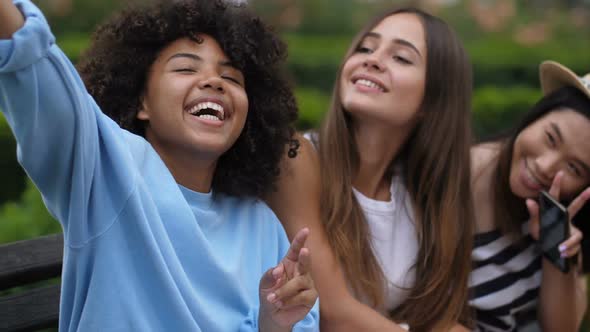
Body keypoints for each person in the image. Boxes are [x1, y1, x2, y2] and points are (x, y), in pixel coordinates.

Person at [0, 0, 319, 331]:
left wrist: (274, 323)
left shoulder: (262, 224)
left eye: (231, 77)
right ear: (142, 102)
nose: (214, 81)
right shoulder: (105, 169)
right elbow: (29, 58)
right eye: (185, 68)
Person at [266, 7, 474, 332]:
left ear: (433, 100)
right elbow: (332, 312)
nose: (373, 60)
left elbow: (440, 318)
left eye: (401, 58)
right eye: (365, 47)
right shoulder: (297, 157)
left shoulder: (421, 191)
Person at [469, 60, 590, 331]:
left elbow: (561, 328)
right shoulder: (464, 175)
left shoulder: (564, 217)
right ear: (536, 116)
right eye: (550, 138)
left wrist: (555, 250)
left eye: (573, 167)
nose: (545, 167)